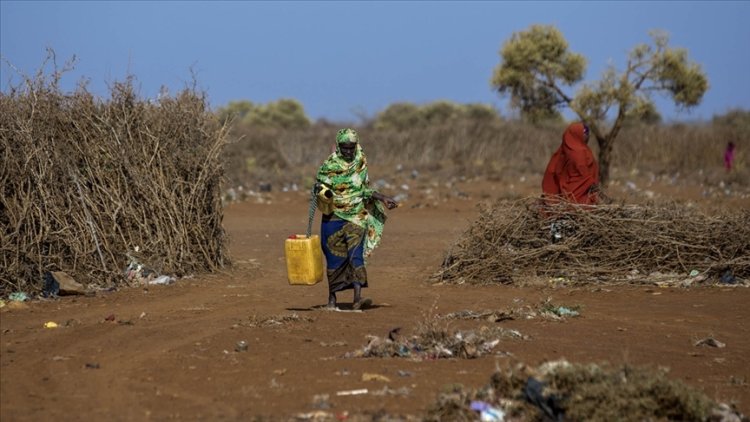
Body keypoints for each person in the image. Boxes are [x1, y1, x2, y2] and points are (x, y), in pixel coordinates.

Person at [315, 128, 398, 310]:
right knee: (333, 258)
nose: (348, 152)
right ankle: (332, 300)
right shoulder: (329, 165)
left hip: (356, 216)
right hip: (333, 217)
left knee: (355, 256)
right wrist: (324, 193)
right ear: (338, 146)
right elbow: (318, 187)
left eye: (351, 147)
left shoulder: (360, 162)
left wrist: (382, 197)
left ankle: (357, 299)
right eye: (344, 147)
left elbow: (364, 189)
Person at [542, 122, 601, 206]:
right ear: (577, 134)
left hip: (562, 199)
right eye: (585, 133)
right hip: (579, 202)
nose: (588, 136)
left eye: (588, 133)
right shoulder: (579, 153)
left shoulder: (562, 152)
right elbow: (584, 177)